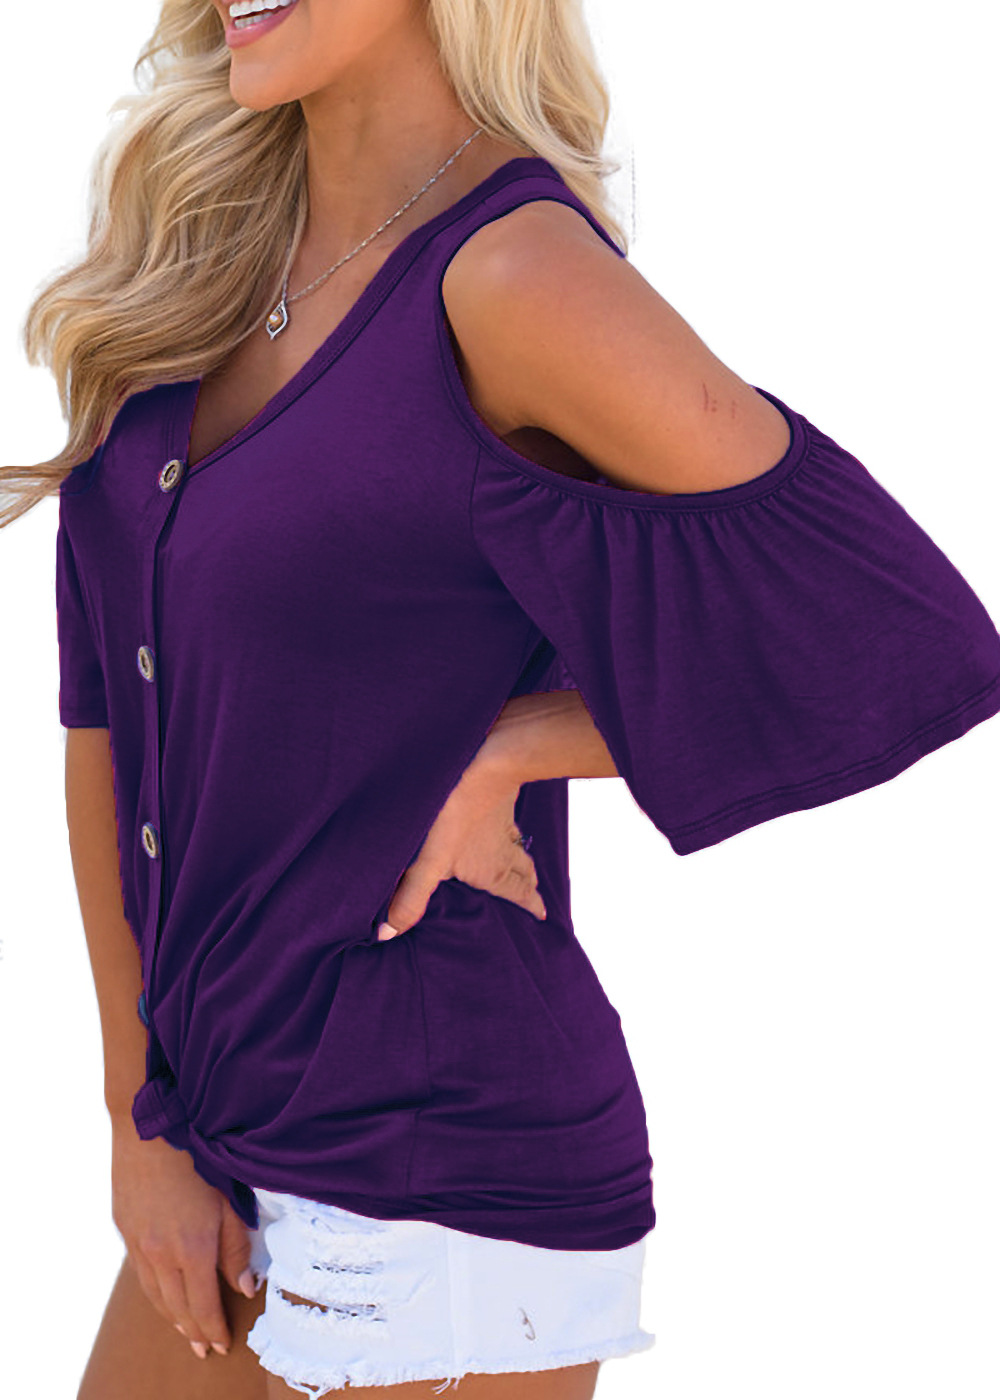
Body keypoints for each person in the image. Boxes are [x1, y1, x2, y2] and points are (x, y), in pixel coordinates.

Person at [3, 1, 999, 1398]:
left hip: (442, 1178)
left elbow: (898, 635)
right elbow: (105, 709)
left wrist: (510, 749)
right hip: (225, 1138)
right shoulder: (202, 257)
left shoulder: (514, 273)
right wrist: (138, 1122)